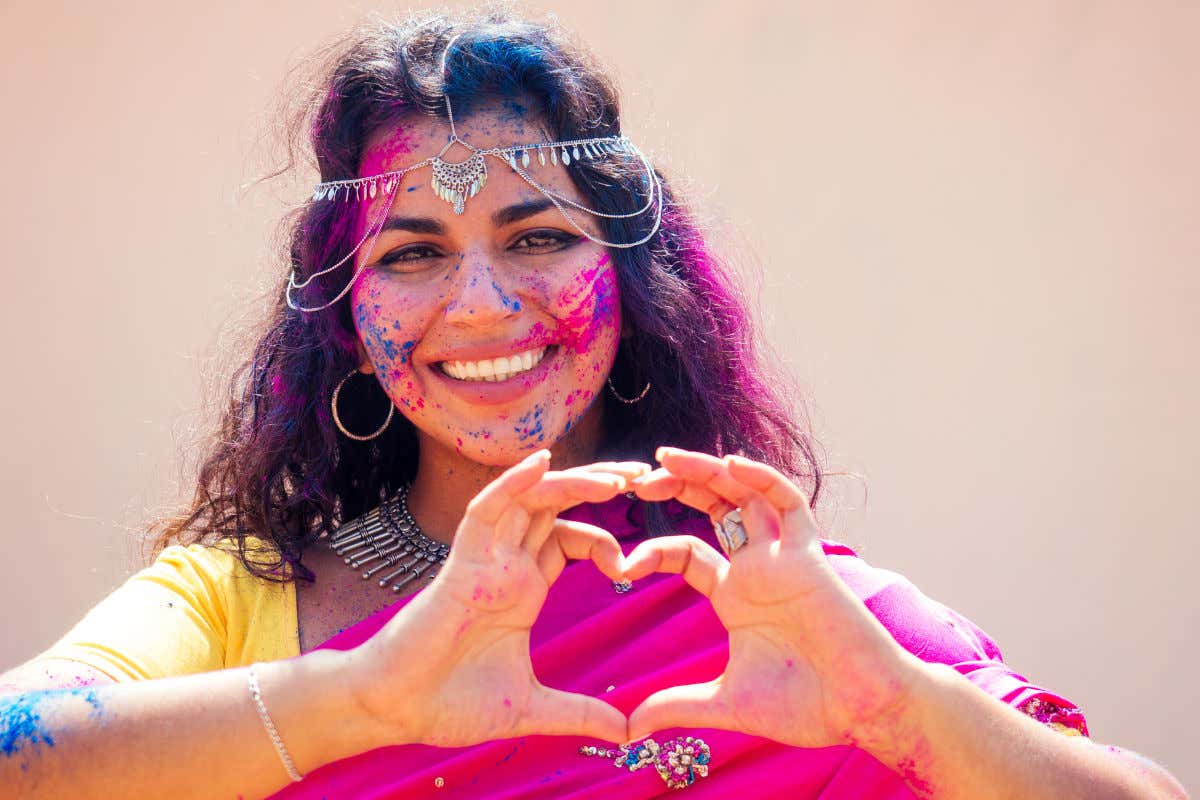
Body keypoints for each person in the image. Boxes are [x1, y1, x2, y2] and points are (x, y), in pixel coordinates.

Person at [0, 11, 1187, 800]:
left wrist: (893, 707)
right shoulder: (243, 598)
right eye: (412, 253)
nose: (480, 302)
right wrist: (365, 701)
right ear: (343, 324)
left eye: (538, 235)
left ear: (633, 282)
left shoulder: (781, 607)